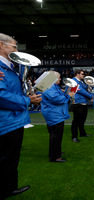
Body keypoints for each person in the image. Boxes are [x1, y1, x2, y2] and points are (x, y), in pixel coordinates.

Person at [0, 33, 42, 199]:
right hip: (6, 122)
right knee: (5, 158)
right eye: (14, 46)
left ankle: (9, 188)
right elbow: (1, 96)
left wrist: (29, 96)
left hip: (14, 120)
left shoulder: (11, 68)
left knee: (11, 159)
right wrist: (27, 100)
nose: (17, 50)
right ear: (1, 45)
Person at [41, 72, 75, 162]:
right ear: (53, 78)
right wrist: (68, 95)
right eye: (59, 78)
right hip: (54, 115)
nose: (60, 80)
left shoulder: (53, 86)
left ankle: (55, 152)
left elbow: (60, 96)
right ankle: (55, 157)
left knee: (56, 136)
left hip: (56, 114)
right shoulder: (49, 87)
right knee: (56, 136)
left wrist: (66, 91)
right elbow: (58, 99)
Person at [71, 70, 93, 142]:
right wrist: (90, 96)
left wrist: (89, 85)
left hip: (83, 103)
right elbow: (81, 90)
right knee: (76, 121)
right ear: (77, 74)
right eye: (82, 74)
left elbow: (86, 88)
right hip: (78, 103)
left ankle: (82, 133)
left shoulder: (82, 81)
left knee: (82, 120)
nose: (84, 75)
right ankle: (74, 137)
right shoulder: (73, 81)